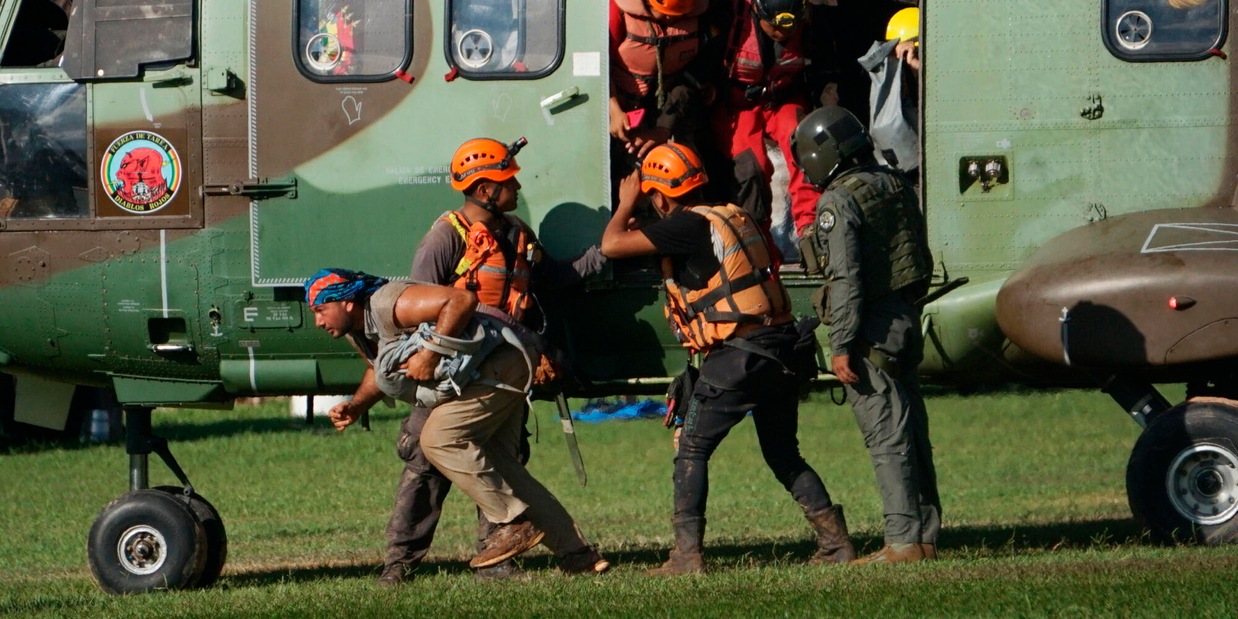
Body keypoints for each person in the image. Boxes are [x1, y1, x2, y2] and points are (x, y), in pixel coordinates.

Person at [599, 143, 855, 575]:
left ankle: (686, 556)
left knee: (692, 450)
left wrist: (625, 202)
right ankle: (836, 543)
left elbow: (610, 245)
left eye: (650, 196)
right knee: (783, 452)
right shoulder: (731, 214)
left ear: (660, 195)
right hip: (780, 350)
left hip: (737, 357)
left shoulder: (683, 226)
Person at [376, 136, 606, 584]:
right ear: (485, 190)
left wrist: (605, 253)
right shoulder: (444, 238)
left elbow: (553, 279)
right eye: (507, 180)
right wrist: (428, 366)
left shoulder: (518, 232)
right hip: (454, 371)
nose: (516, 187)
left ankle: (503, 561)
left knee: (503, 462)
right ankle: (398, 566)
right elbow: (421, 309)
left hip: (504, 367)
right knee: (427, 460)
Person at [306, 269, 610, 578]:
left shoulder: (388, 303)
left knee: (439, 439)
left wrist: (430, 354)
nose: (318, 321)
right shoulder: (357, 328)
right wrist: (356, 405)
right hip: (490, 370)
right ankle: (578, 555)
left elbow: (461, 299)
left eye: (320, 310)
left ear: (346, 302)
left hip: (499, 365)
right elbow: (378, 368)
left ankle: (512, 523)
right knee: (505, 469)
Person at [791, 105, 940, 564]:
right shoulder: (894, 183)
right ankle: (925, 537)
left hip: (870, 330)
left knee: (885, 437)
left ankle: (901, 542)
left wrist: (841, 346)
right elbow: (918, 258)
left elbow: (846, 280)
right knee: (912, 430)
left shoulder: (838, 201)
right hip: (905, 318)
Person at [710, 0, 826, 243]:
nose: (782, 33)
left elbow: (824, 68)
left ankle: (811, 227)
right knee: (751, 167)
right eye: (776, 26)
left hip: (782, 99)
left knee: (805, 144)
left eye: (789, 26)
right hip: (737, 105)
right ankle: (757, 239)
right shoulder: (728, 16)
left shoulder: (811, 23)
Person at [609, 0, 714, 166]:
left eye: (678, 15)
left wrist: (664, 127)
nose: (668, 19)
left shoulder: (703, 15)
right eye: (663, 13)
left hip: (674, 107)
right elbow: (594, 66)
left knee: (687, 168)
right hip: (618, 109)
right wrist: (613, 109)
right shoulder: (617, 13)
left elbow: (696, 73)